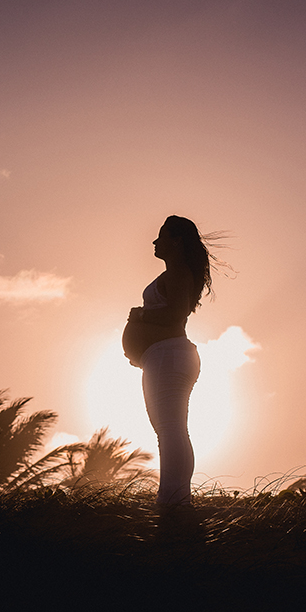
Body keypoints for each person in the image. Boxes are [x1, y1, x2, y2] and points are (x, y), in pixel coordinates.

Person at [122, 215, 224, 507]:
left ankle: (174, 500)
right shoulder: (175, 274)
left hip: (169, 355)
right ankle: (173, 496)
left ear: (177, 241)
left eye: (162, 236)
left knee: (171, 429)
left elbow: (175, 315)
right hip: (162, 357)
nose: (155, 241)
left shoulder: (179, 273)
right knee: (168, 429)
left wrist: (140, 315)